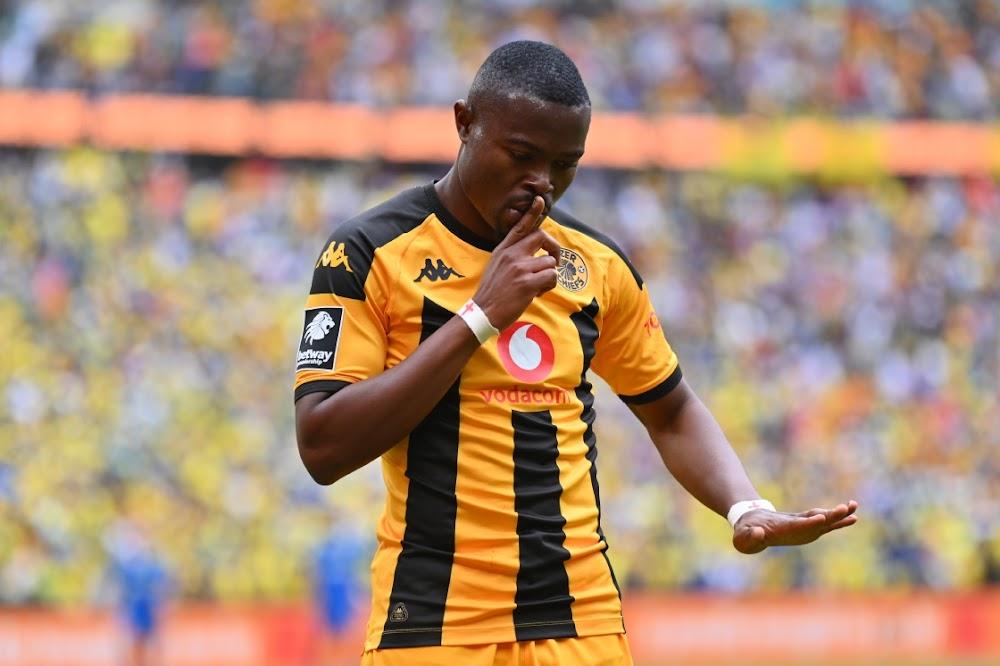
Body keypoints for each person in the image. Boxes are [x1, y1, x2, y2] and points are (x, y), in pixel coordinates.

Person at [293, 40, 858, 666]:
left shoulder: (595, 265)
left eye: (565, 164)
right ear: (464, 123)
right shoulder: (368, 252)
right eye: (521, 156)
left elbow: (670, 409)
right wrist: (479, 317)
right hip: (433, 625)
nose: (542, 183)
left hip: (582, 623)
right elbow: (322, 445)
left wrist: (744, 505)